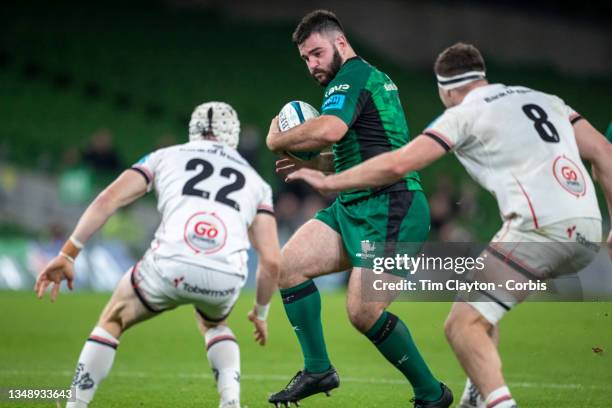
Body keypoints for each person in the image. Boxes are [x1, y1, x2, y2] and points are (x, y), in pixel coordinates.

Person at [287, 43, 612, 408]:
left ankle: (495, 402)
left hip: (537, 229)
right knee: (481, 305)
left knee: (460, 326)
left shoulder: (463, 114)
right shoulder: (548, 100)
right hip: (586, 227)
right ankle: (475, 393)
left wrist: (331, 181)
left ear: (445, 90)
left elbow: (397, 165)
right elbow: (603, 151)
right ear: (482, 74)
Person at [35, 102, 280, 408]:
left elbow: (109, 198)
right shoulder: (256, 182)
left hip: (170, 263)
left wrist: (69, 253)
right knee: (214, 324)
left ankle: (75, 403)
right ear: (234, 134)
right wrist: (261, 312)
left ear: (193, 128)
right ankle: (230, 402)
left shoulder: (165, 156)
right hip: (226, 272)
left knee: (113, 318)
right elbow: (271, 260)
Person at [265, 10, 452, 408]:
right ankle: (318, 369)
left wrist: (276, 140)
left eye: (316, 53)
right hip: (355, 203)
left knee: (362, 312)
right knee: (288, 266)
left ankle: (431, 394)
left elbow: (331, 130)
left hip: (391, 206)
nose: (312, 64)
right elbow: (362, 149)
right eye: (306, 59)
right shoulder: (362, 80)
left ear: (341, 42)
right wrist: (316, 165)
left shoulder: (351, 76)